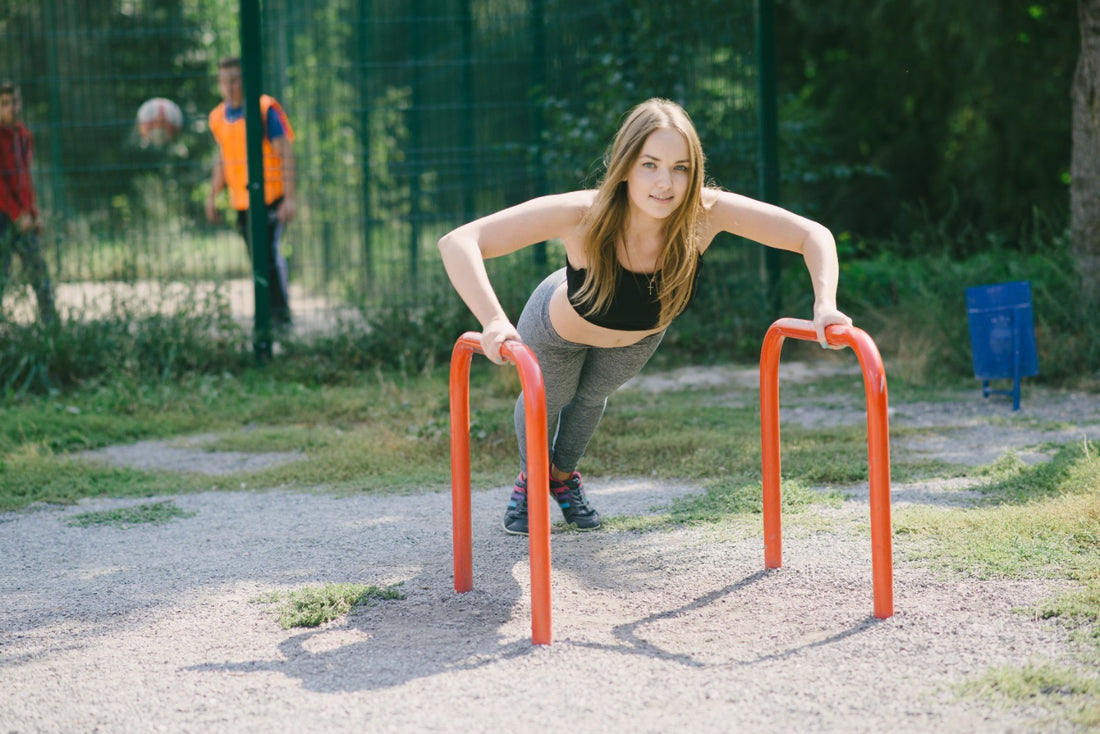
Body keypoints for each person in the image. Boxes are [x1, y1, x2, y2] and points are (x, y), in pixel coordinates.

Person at [438, 98, 853, 536]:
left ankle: (562, 479)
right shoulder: (585, 212)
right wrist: (493, 320)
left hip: (639, 338)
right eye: (650, 165)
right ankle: (531, 480)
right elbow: (460, 241)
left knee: (591, 397)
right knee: (551, 397)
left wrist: (824, 303)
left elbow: (813, 234)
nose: (665, 183)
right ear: (625, 166)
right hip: (558, 329)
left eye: (680, 168)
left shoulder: (704, 215)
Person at [205, 56, 297, 330]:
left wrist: (290, 198)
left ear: (245, 81)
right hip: (242, 201)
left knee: (269, 252)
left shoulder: (264, 109)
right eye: (224, 80)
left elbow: (286, 154)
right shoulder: (218, 117)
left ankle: (281, 316)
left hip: (271, 197)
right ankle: (269, 314)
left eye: (235, 79)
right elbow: (223, 159)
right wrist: (212, 195)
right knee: (257, 258)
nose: (230, 85)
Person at [0, 81, 55, 325]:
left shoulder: (23, 136)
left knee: (39, 274)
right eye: (5, 104)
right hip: (4, 216)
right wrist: (15, 214)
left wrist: (32, 212)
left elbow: (25, 178)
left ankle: (52, 329)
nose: (12, 108)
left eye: (15, 102)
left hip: (22, 217)